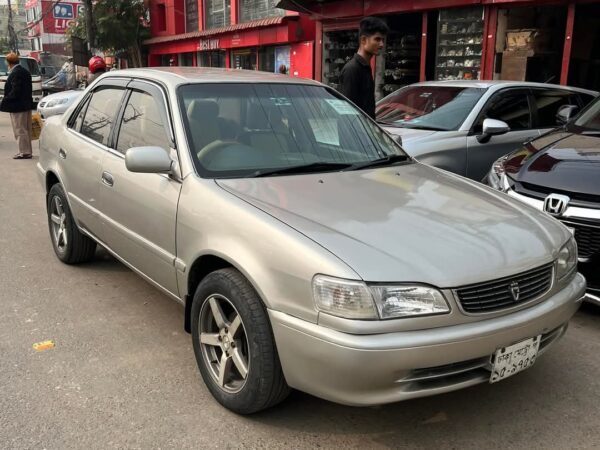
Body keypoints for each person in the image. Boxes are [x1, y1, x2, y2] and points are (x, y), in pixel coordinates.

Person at [339, 17, 388, 119]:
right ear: (364, 40)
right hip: (355, 133)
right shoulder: (352, 69)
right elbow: (347, 111)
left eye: (383, 40)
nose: (381, 44)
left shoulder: (365, 67)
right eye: (377, 39)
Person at [0, 52, 33, 160]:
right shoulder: (24, 71)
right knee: (26, 129)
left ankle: (24, 152)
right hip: (25, 105)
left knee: (20, 130)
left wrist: (5, 99)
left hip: (18, 106)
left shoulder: (16, 73)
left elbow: (15, 91)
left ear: (8, 62)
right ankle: (27, 151)